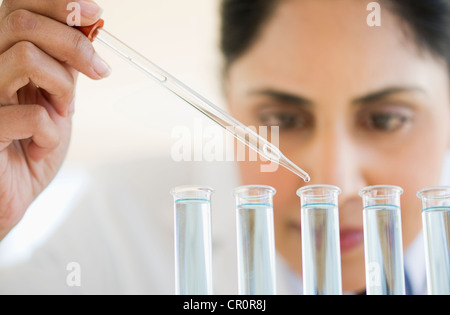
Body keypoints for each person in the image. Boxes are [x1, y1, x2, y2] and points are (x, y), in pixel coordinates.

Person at [0, 0, 449, 294]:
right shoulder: (117, 227)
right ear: (228, 98)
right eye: (282, 119)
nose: (333, 182)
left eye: (386, 120)